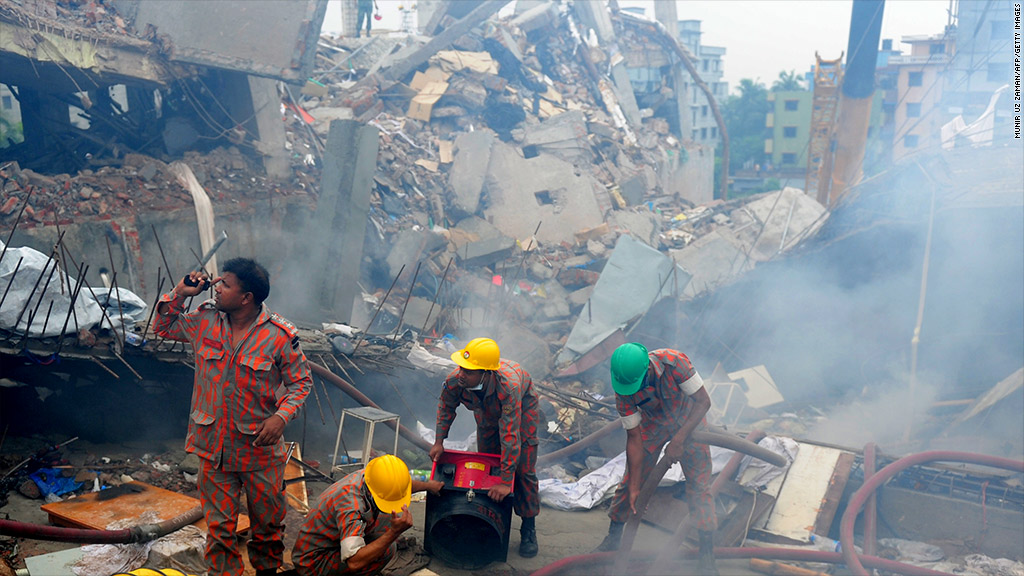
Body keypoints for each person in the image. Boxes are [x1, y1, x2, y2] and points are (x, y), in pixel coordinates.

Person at [154, 258, 311, 576]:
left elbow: (301, 382)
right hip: (214, 450)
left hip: (259, 452)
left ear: (246, 297)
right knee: (220, 532)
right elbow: (163, 327)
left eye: (225, 284)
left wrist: (281, 417)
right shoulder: (205, 319)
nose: (216, 286)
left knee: (267, 529)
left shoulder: (279, 335)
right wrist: (181, 293)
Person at [594, 342, 719, 576]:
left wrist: (680, 439)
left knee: (700, 487)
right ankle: (613, 538)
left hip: (690, 423)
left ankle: (706, 554)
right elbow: (633, 436)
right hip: (653, 425)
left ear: (648, 370)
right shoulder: (623, 387)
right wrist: (634, 486)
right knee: (630, 480)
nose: (630, 390)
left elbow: (704, 402)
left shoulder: (675, 363)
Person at [429, 337, 541, 558]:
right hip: (487, 413)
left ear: (486, 374)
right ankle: (490, 517)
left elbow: (510, 436)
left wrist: (506, 481)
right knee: (488, 461)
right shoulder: (456, 380)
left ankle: (529, 527)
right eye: (462, 367)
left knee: (523, 469)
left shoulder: (509, 387)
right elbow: (445, 407)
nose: (461, 374)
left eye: (469, 372)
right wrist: (439, 442)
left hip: (522, 410)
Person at [291, 455, 443, 576]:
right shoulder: (351, 507)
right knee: (389, 547)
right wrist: (393, 533)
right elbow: (354, 562)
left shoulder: (372, 477)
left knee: (386, 521)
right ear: (372, 492)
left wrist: (429, 486)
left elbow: (401, 486)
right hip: (313, 562)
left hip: (333, 541)